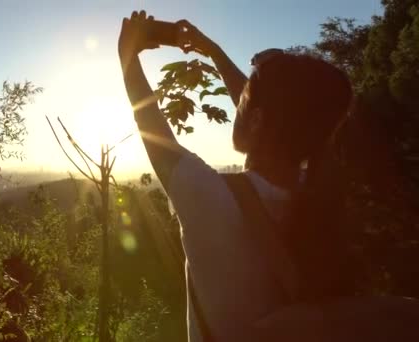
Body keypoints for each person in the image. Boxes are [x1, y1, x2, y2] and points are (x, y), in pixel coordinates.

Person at [118, 10, 419, 342]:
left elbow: (149, 124)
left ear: (259, 119)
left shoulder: (210, 197)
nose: (239, 99)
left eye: (246, 98)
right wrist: (214, 52)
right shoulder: (323, 196)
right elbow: (271, 116)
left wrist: (127, 55)